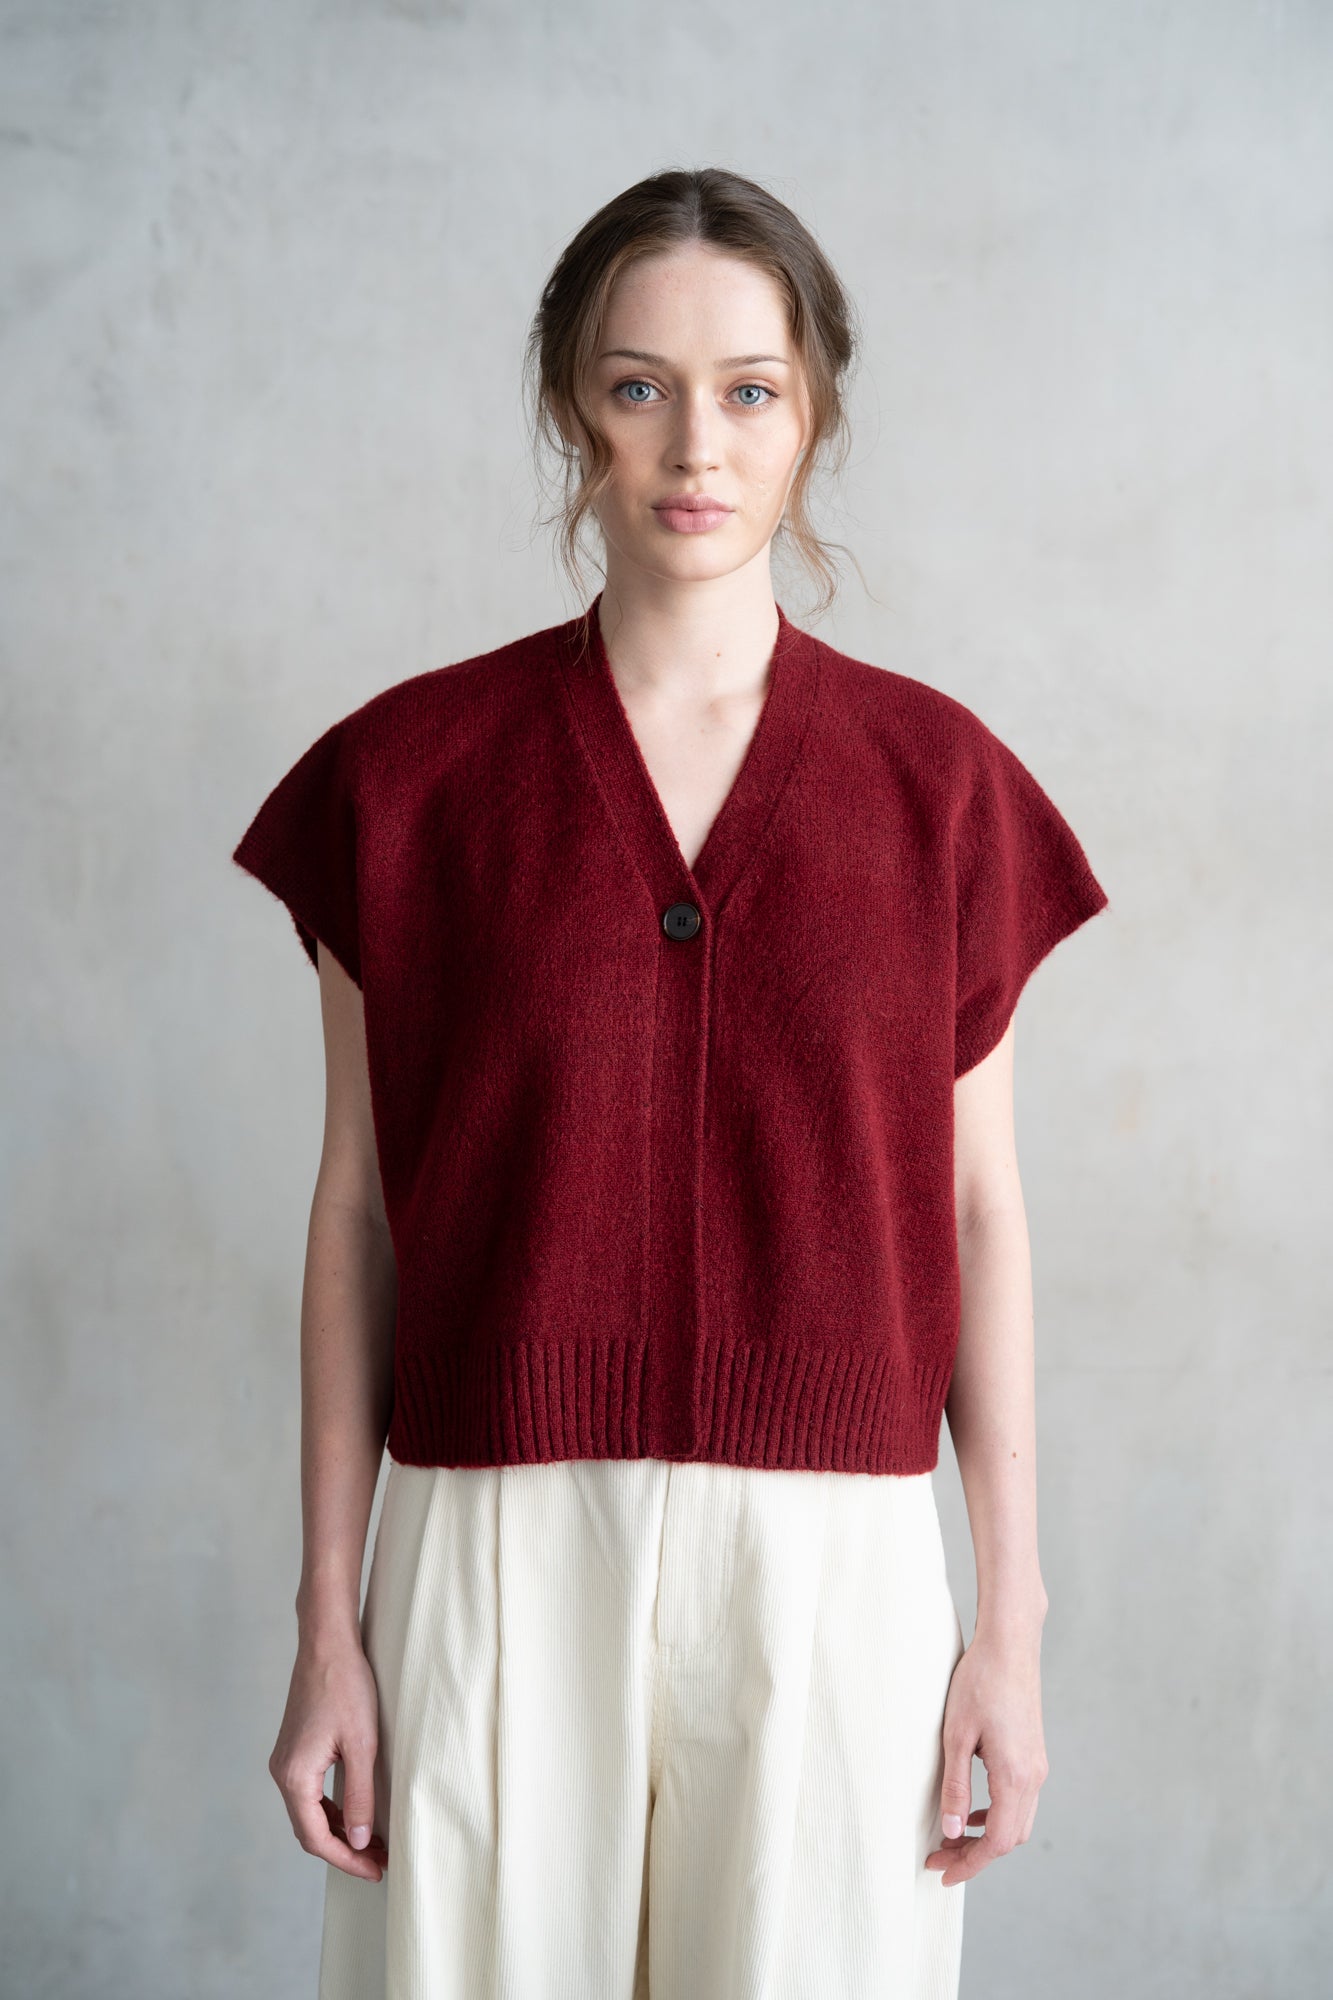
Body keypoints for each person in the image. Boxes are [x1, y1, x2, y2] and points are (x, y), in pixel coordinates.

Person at [231, 167, 1110, 2000]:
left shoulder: (941, 791)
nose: (694, 446)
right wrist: (329, 1617)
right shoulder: (407, 783)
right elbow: (359, 1213)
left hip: (835, 1563)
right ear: (573, 404)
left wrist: (1008, 1624)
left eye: (747, 390)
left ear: (811, 413)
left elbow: (978, 1213)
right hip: (491, 1541)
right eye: (638, 387)